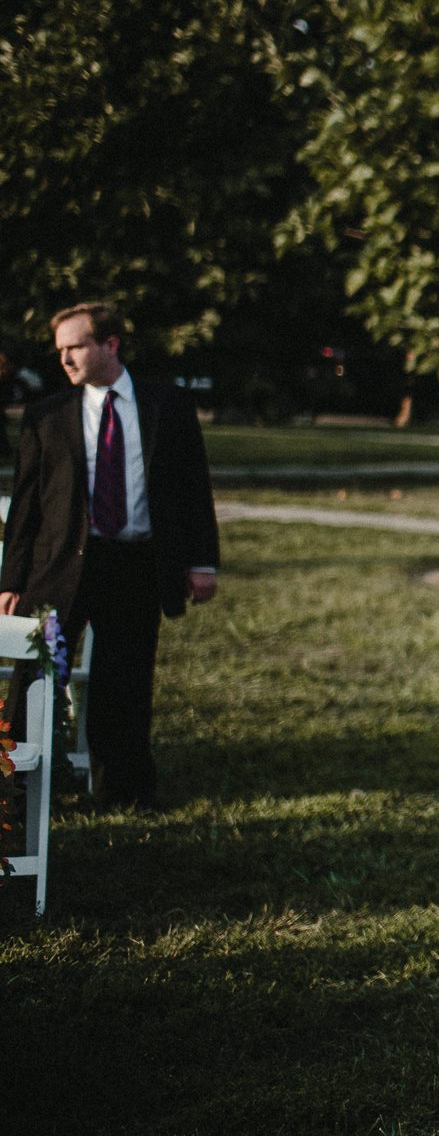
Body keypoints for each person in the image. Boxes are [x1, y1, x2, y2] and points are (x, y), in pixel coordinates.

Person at [1, 302, 220, 809]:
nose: (65, 360)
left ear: (110, 345)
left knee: (125, 681)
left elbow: (192, 488)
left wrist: (202, 561)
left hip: (136, 565)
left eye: (75, 347)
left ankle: (121, 791)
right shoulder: (47, 417)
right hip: (58, 569)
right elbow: (27, 507)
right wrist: (11, 580)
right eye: (60, 351)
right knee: (35, 676)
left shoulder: (167, 406)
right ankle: (12, 791)